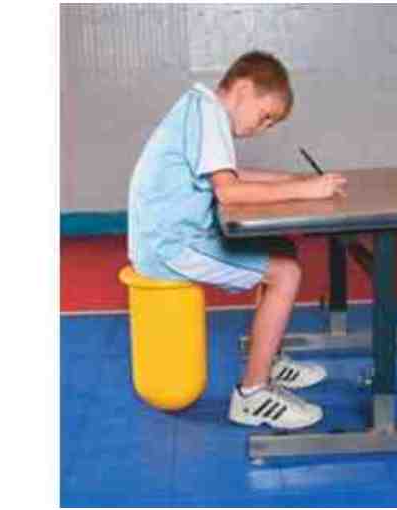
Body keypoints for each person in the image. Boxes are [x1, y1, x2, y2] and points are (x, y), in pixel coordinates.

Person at [127, 50, 347, 429]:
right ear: (243, 90)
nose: (263, 128)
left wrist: (295, 181)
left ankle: (268, 360)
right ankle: (252, 394)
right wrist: (306, 190)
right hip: (170, 247)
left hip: (169, 238)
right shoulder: (207, 113)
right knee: (286, 273)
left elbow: (232, 174)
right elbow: (229, 192)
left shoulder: (199, 108)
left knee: (281, 249)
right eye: (265, 116)